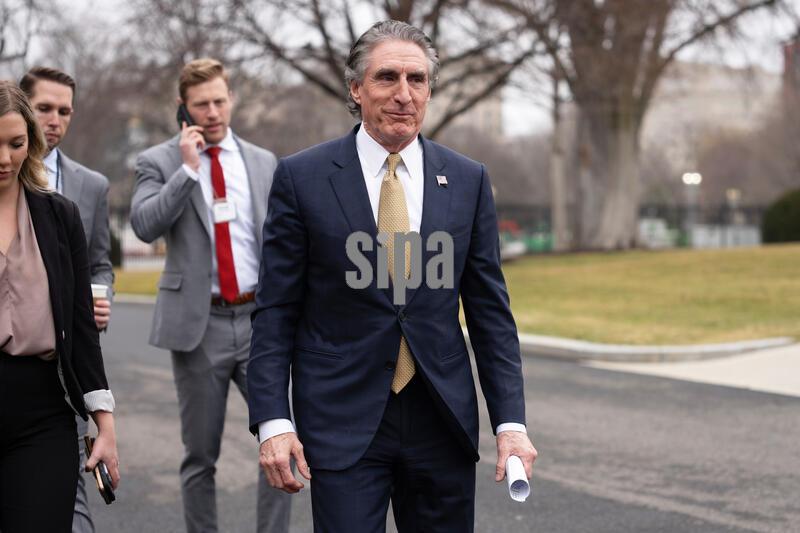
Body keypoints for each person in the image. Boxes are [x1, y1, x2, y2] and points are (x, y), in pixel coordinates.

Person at [248, 20, 537, 532]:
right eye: (387, 77)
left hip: (441, 421)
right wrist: (274, 421)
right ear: (356, 88)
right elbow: (275, 312)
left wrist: (510, 422)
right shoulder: (302, 178)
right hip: (341, 419)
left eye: (417, 79)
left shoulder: (467, 180)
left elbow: (491, 314)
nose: (404, 94)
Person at [130, 58, 290, 533]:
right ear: (184, 107)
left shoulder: (263, 161)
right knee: (201, 454)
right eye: (202, 104)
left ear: (231, 99)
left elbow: (281, 239)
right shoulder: (157, 161)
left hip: (260, 322)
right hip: (201, 326)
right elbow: (144, 225)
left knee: (280, 441)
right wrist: (187, 170)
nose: (213, 112)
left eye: (220, 101)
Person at [0, 81, 119, 532]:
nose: (5, 158)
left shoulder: (59, 215)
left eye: (16, 144)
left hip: (42, 413)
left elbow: (81, 328)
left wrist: (104, 424)